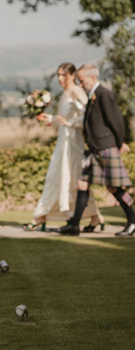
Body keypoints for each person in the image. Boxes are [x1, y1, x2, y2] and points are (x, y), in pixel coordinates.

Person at [25, 63, 105, 232]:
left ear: (72, 75)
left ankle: (93, 216)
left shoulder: (77, 91)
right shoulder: (65, 93)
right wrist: (51, 118)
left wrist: (70, 122)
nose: (61, 79)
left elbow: (87, 115)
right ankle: (41, 215)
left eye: (64, 75)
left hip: (73, 144)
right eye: (58, 75)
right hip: (63, 141)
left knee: (73, 181)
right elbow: (62, 118)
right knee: (55, 177)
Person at [59, 64, 134, 236]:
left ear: (92, 78)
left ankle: (133, 219)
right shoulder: (93, 95)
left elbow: (116, 121)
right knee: (82, 183)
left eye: (82, 80)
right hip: (95, 149)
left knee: (115, 188)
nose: (79, 84)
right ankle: (74, 225)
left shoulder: (103, 94)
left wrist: (119, 142)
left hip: (106, 147)